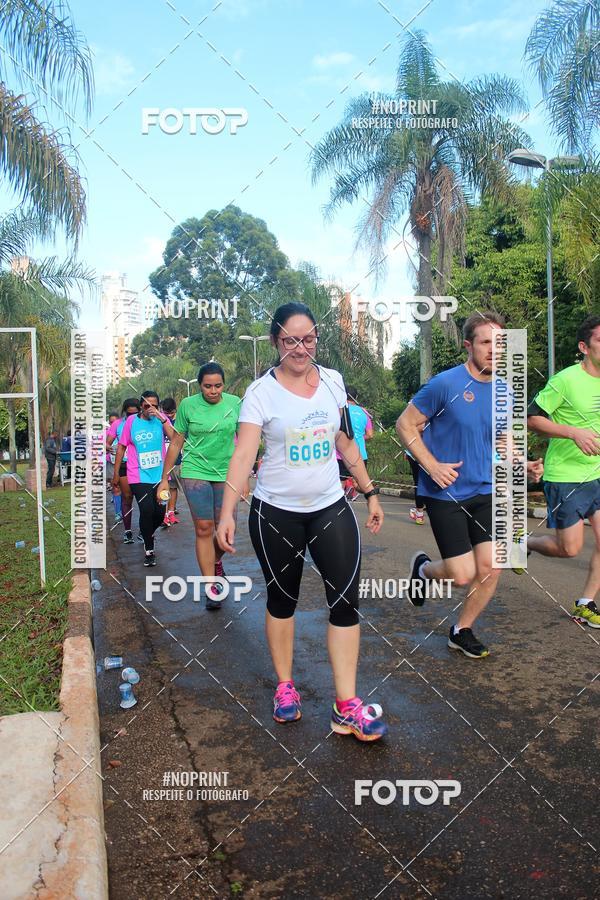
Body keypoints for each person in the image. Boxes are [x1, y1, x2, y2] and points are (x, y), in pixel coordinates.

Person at [216, 302, 387, 742]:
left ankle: (346, 705)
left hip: (331, 507)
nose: (300, 347)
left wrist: (369, 492)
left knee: (346, 601)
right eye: (290, 339)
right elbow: (242, 455)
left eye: (307, 338)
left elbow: (345, 441)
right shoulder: (260, 394)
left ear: (316, 339)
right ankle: (285, 686)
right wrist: (227, 513)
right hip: (276, 514)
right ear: (276, 342)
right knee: (282, 601)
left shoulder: (333, 381)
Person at [525, 315, 600, 628]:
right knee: (569, 548)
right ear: (584, 346)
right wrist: (574, 433)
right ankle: (524, 543)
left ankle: (586, 602)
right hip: (566, 475)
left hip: (597, 473)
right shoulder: (565, 380)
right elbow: (532, 419)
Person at [156, 364, 244, 609]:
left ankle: (215, 563)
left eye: (218, 385)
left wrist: (244, 474)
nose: (213, 391)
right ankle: (211, 586)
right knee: (204, 528)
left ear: (224, 385)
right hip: (195, 470)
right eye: (207, 386)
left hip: (226, 471)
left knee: (227, 530)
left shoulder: (235, 403)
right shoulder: (188, 406)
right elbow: (176, 443)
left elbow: (245, 442)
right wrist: (165, 477)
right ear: (199, 385)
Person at [112, 391, 174, 566]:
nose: (150, 409)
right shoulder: (131, 422)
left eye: (154, 405)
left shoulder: (161, 420)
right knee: (146, 510)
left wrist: (161, 418)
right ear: (141, 406)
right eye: (147, 405)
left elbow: (174, 438)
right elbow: (121, 447)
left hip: (161, 476)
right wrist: (116, 473)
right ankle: (149, 550)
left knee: (160, 514)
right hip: (137, 475)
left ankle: (146, 531)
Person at [107, 399, 140, 543]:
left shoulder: (146, 422)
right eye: (129, 413)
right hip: (124, 465)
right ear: (124, 412)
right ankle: (127, 531)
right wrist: (110, 448)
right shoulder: (118, 424)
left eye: (136, 413)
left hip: (141, 466)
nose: (132, 416)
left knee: (144, 501)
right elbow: (107, 443)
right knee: (127, 497)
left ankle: (143, 531)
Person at [336, 386, 373, 501]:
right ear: (355, 397)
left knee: (339, 483)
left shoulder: (340, 410)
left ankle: (345, 496)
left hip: (341, 454)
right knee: (359, 483)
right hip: (361, 454)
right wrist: (358, 438)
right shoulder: (364, 412)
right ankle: (354, 488)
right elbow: (370, 434)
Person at [160, 397, 182, 527]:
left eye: (171, 413)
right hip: (162, 461)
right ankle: (163, 515)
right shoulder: (158, 421)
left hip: (177, 460)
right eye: (166, 413)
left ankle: (171, 514)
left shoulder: (180, 420)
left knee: (173, 488)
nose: (168, 416)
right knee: (164, 487)